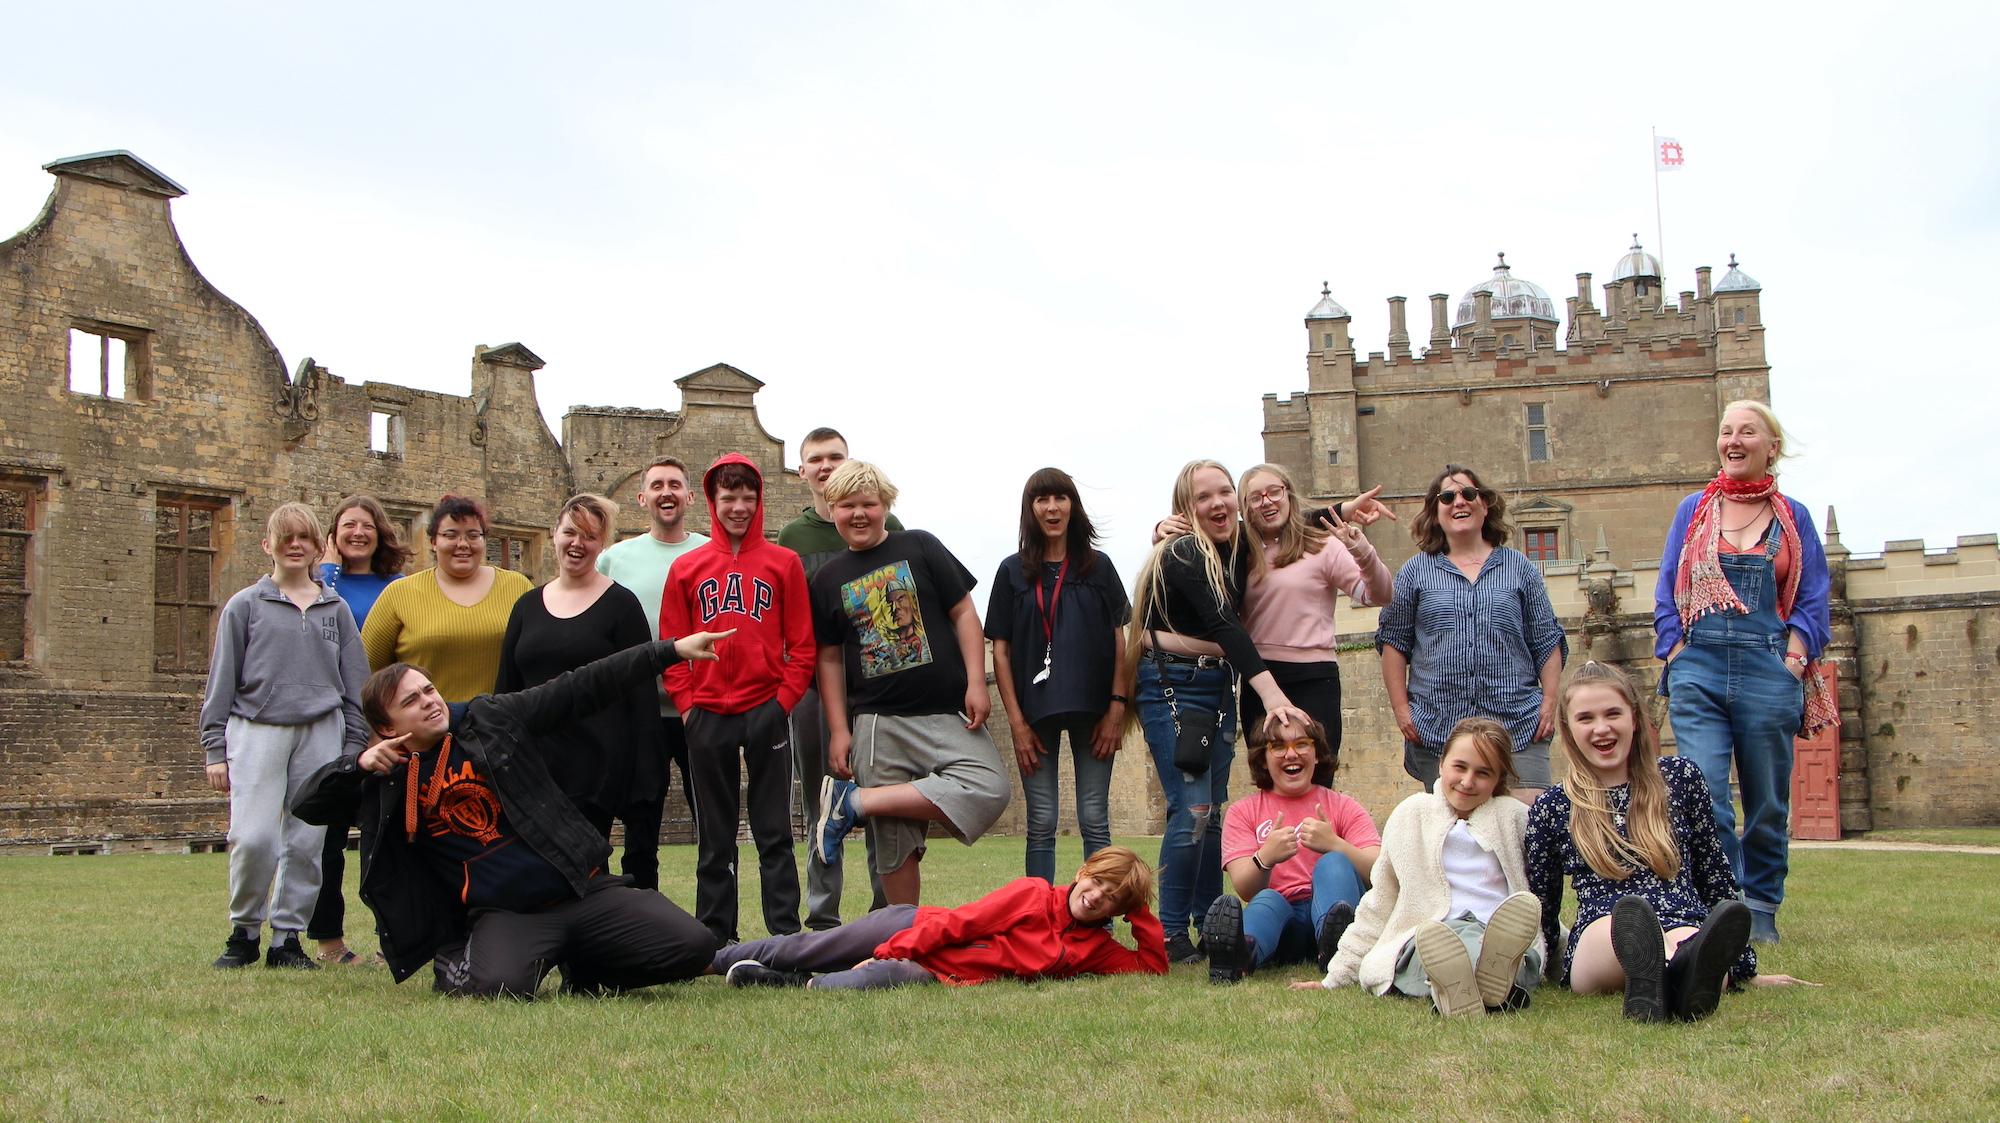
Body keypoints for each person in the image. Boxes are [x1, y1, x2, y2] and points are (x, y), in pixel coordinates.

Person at [292, 633, 732, 997]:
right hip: (506, 913)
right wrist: (357, 765)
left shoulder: (490, 719)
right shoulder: (386, 781)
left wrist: (667, 651)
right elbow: (307, 805)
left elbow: (579, 687)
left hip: (582, 889)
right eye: (411, 701)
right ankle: (463, 956)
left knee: (694, 946)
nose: (429, 702)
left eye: (429, 690)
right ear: (388, 727)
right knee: (499, 986)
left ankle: (586, 965)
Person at [1525, 661, 1813, 1023]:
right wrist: (1539, 967)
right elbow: (1542, 904)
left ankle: (1664, 983)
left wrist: (1744, 968)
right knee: (1622, 929)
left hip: (1682, 920)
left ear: (1634, 718)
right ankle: (1672, 976)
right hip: (1604, 931)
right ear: (1568, 728)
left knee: (1692, 943)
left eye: (1613, 713)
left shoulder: (1681, 778)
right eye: (1586, 718)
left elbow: (1715, 878)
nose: (1602, 728)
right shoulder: (1554, 805)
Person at [1655, 400, 1834, 945]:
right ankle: (1721, 905)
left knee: (1767, 802)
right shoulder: (1693, 511)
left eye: (1747, 432)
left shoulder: (1793, 517)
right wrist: (1676, 651)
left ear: (1770, 447)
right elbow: (1667, 591)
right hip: (1699, 665)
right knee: (1703, 791)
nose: (1734, 440)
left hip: (1767, 667)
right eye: (1726, 431)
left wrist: (1794, 660)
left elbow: (1814, 598)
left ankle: (1760, 909)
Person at [1126, 458, 1313, 963]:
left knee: (1211, 813)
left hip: (1213, 687)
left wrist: (1341, 510)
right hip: (1174, 685)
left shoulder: (1233, 549)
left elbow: (1286, 523)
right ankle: (1167, 933)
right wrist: (1273, 696)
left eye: (1225, 492)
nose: (1218, 503)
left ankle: (1212, 923)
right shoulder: (1186, 551)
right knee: (1191, 810)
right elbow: (1225, 627)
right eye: (1203, 497)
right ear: (1184, 510)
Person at [806, 460, 1010, 907]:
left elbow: (964, 614)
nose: (858, 515)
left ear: (885, 506)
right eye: (846, 506)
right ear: (832, 508)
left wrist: (977, 681)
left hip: (943, 711)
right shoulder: (827, 579)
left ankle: (854, 804)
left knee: (990, 787)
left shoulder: (919, 546)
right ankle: (903, 932)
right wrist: (840, 730)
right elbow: (829, 659)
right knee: (894, 838)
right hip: (878, 722)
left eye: (868, 504)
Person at [200, 503, 371, 970]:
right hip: (256, 727)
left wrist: (353, 746)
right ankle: (244, 932)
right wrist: (215, 749)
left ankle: (287, 939)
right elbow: (222, 681)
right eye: (285, 537)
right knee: (253, 837)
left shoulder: (334, 610)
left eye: (304, 538)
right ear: (268, 545)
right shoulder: (245, 606)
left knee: (307, 841)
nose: (294, 545)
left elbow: (356, 683)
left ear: (319, 548)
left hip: (321, 732)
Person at [661, 454, 813, 943]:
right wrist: (686, 707)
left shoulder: (782, 563)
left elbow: (803, 646)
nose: (739, 507)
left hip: (765, 709)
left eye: (748, 496)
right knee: (715, 836)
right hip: (707, 714)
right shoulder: (687, 568)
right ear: (712, 501)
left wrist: (782, 703)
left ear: (759, 499)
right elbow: (670, 645)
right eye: (729, 497)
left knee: (774, 830)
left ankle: (784, 933)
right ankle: (714, 937)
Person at [1301, 717, 1543, 1018]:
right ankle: (1482, 982)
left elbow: (1537, 896)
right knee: (1436, 949)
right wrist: (1336, 975)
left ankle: (1476, 981)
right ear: (1441, 764)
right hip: (1429, 936)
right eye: (1460, 767)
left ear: (1499, 779)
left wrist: (1560, 957)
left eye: (1483, 773)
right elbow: (1379, 902)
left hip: (1496, 932)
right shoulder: (1412, 815)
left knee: (1505, 951)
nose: (1468, 781)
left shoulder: (1515, 819)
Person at [716, 845, 1165, 990]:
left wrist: (1137, 902)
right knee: (807, 946)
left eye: (1110, 900)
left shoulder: (1094, 951)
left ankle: (794, 983)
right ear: (1081, 872)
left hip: (934, 969)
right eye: (1097, 883)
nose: (1095, 898)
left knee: (879, 979)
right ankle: (710, 959)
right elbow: (960, 924)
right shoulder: (1033, 894)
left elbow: (1151, 966)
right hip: (912, 927)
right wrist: (887, 948)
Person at [1377, 465, 1566, 801]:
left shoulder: (1518, 567)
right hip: (1439, 727)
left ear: (1485, 504)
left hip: (1517, 723)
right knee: (1454, 839)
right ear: (1436, 511)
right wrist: (1402, 711)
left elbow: (1546, 639)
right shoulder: (1414, 572)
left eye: (1468, 493)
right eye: (1447, 497)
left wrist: (1549, 702)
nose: (1458, 502)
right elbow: (1394, 643)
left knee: (1527, 827)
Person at [777, 427, 902, 927]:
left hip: (878, 690)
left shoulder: (886, 523)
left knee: (881, 800)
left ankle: (883, 911)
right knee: (819, 803)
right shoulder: (793, 537)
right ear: (802, 471)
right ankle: (822, 916)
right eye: (816, 459)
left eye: (835, 457)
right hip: (812, 687)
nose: (825, 466)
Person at [986, 467, 1131, 882]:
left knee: (1094, 818)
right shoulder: (1011, 572)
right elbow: (1000, 648)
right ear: (1029, 509)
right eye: (1041, 499)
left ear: (1073, 506)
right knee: (1042, 822)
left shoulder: (1098, 568)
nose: (1052, 508)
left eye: (1060, 498)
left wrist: (1117, 709)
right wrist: (1016, 723)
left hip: (1095, 710)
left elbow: (1119, 638)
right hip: (1034, 715)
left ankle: (1097, 917)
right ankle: (1039, 918)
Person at [496, 495, 654, 838]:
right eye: (570, 532)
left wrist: (643, 777)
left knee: (588, 873)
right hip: (534, 766)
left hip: (596, 768)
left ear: (602, 544)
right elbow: (506, 689)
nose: (577, 543)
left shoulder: (621, 605)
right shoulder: (526, 606)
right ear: (554, 533)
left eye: (590, 536)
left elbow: (641, 698)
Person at [596, 454, 709, 890]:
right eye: (658, 485)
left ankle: (715, 922)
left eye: (675, 485)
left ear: (689, 496)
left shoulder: (708, 552)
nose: (667, 492)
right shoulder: (614, 559)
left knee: (711, 822)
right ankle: (641, 916)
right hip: (639, 709)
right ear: (642, 497)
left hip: (699, 706)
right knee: (641, 823)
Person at [307, 494, 411, 966]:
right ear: (333, 535)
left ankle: (396, 939)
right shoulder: (315, 586)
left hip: (385, 726)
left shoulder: (397, 586)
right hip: (330, 720)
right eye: (347, 526)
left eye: (366, 526)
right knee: (327, 837)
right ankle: (329, 941)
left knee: (388, 836)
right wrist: (326, 568)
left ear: (380, 533)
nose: (357, 533)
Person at [1201, 714, 1380, 984]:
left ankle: (1337, 947)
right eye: (1278, 746)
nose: (1291, 754)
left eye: (1302, 744)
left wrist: (1336, 845)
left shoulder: (1343, 806)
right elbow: (1245, 887)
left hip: (1334, 912)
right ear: (1263, 758)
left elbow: (1379, 871)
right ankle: (1239, 955)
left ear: (1317, 754)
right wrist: (1265, 858)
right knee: (1268, 900)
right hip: (1285, 926)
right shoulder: (1243, 812)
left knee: (1333, 863)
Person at [1236, 462, 1394, 753]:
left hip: (1315, 676)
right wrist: (1161, 531)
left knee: (1320, 771)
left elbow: (1379, 595)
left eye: (1274, 492)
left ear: (1289, 495)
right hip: (1260, 678)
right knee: (1268, 776)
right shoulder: (1239, 552)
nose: (1267, 502)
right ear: (1245, 508)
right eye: (1255, 497)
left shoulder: (1324, 546)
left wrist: (1362, 551)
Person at [362, 494, 532, 702]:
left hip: (502, 727)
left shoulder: (517, 586)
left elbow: (537, 661)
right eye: (451, 535)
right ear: (434, 542)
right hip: (425, 729)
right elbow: (366, 671)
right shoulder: (399, 594)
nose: (463, 544)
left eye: (473, 535)